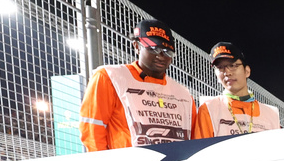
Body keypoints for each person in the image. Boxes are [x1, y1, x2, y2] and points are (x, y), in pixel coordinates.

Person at [79, 20, 196, 152]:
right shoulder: (110, 77)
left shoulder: (183, 95)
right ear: (136, 46)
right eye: (154, 49)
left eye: (167, 51)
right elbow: (92, 129)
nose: (161, 56)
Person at [193, 42, 281, 138]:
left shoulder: (272, 114)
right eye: (220, 67)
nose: (227, 72)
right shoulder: (209, 109)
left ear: (247, 71)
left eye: (233, 65)